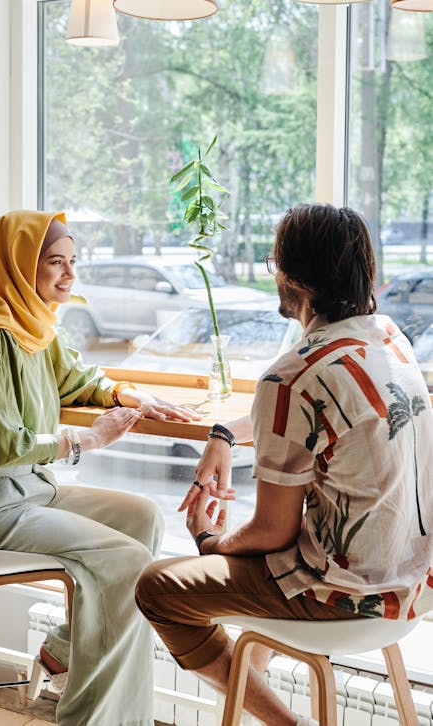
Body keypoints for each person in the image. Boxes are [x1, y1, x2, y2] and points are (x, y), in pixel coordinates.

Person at [135, 203, 433, 726]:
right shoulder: (387, 339)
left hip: (343, 596)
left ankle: (286, 724)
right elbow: (317, 413)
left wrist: (208, 540)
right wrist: (225, 433)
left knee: (158, 587)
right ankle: (252, 681)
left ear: (292, 276)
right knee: (255, 573)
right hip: (414, 587)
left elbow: (273, 532)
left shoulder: (292, 375)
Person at [0, 209, 200, 726]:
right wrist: (88, 438)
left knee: (144, 518)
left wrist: (126, 393)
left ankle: (61, 650)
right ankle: (89, 718)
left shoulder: (35, 328)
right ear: (16, 267)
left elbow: (77, 377)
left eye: (73, 261)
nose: (70, 275)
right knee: (126, 562)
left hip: (31, 493)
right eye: (55, 262)